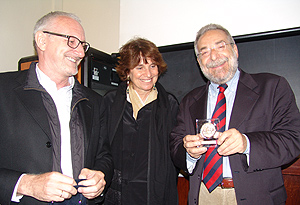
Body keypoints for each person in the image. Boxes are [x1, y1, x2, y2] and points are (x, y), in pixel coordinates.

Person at [170, 23, 300, 205]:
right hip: (204, 196)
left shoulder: (273, 87)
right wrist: (189, 152)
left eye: (220, 46)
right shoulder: (190, 100)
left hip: (257, 196)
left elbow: (293, 140)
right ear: (199, 61)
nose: (214, 57)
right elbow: (175, 145)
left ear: (235, 50)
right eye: (205, 52)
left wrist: (247, 143)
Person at [0, 11, 113, 205]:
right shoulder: (4, 90)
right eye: (71, 41)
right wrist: (25, 184)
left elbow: (104, 156)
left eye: (83, 45)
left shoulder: (94, 101)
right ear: (42, 40)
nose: (80, 53)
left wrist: (100, 177)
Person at [103, 37, 179, 205]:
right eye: (140, 67)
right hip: (117, 193)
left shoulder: (170, 105)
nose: (148, 74)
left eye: (153, 66)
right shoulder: (110, 102)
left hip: (155, 194)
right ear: (127, 71)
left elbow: (176, 150)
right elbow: (101, 149)